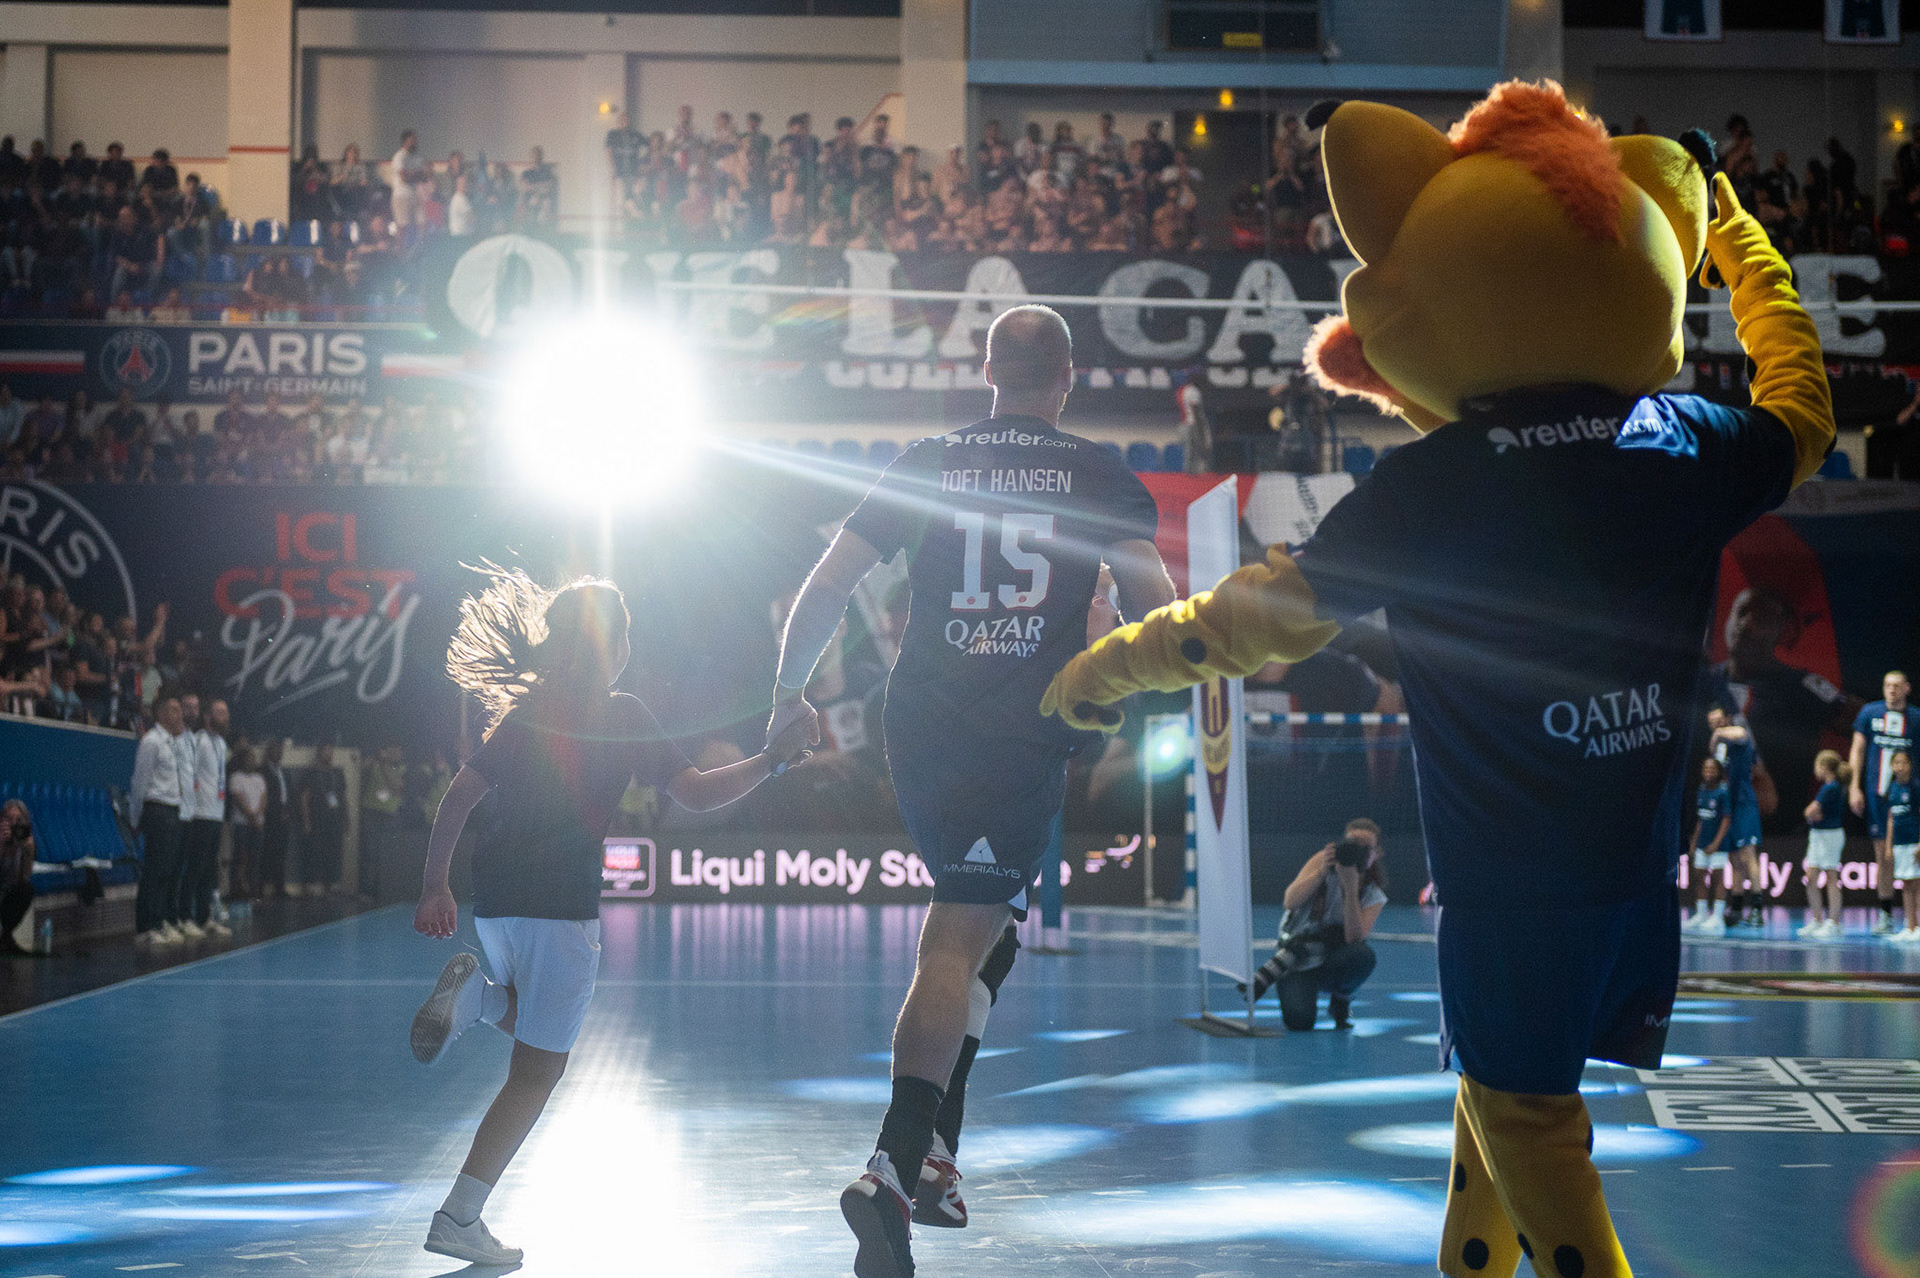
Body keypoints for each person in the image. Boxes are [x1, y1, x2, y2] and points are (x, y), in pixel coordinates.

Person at [770, 304, 1175, 1278]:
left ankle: (937, 1162)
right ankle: (891, 1171)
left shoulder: (929, 457)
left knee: (987, 929)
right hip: (1017, 732)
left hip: (921, 730)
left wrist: (785, 698)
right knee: (957, 940)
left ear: (988, 373)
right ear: (1068, 377)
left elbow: (823, 587)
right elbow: (1158, 607)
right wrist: (1147, 680)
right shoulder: (1098, 474)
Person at [407, 569, 811, 1267]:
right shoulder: (624, 715)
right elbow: (696, 795)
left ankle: (478, 996)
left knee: (530, 1022)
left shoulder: (526, 711)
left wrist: (434, 885)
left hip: (496, 902)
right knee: (538, 1070)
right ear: (614, 643)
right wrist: (773, 762)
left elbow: (460, 796)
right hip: (560, 910)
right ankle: (459, 1216)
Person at [1248, 818, 1387, 1030]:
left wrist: (1350, 887)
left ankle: (1341, 998)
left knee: (1363, 956)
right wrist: (1321, 872)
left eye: (1366, 847)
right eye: (1352, 844)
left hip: (1333, 959)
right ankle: (1297, 987)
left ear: (1376, 854)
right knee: (1299, 1022)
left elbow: (1354, 938)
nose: (1358, 851)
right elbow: (1290, 902)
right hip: (1299, 957)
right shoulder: (1322, 862)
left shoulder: (1373, 894)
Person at [1849, 670, 1914, 934]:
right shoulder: (1869, 713)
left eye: (1897, 686)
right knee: (1882, 855)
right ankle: (1885, 914)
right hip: (1877, 795)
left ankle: (1914, 919)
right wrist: (1854, 786)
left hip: (1910, 798)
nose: (1891, 690)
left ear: (1907, 688)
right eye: (1887, 685)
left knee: (1914, 854)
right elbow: (1858, 749)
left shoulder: (1917, 718)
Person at [130, 693, 189, 946]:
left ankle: (160, 920)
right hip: (157, 810)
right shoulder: (151, 742)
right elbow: (139, 781)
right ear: (162, 714)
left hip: (172, 809)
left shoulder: (172, 743)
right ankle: (145, 927)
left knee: (166, 871)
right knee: (155, 870)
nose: (180, 715)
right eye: (175, 710)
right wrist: (134, 818)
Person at [1707, 704, 1769, 929]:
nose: (1714, 726)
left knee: (1748, 855)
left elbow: (1741, 734)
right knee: (1734, 858)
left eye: (1717, 721)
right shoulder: (1721, 745)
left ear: (1727, 719)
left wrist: (1717, 733)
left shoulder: (1739, 734)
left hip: (1744, 803)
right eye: (1711, 723)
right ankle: (1735, 909)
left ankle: (1757, 910)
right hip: (1729, 805)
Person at [182, 696, 232, 938]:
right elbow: (191, 777)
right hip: (200, 814)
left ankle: (204, 918)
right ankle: (186, 918)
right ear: (209, 717)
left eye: (227, 713)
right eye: (220, 713)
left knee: (208, 870)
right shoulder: (200, 741)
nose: (226, 717)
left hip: (215, 814)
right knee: (195, 867)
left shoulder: (221, 744)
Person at [1798, 749, 1849, 937]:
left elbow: (1810, 812)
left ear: (1824, 767)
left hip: (1830, 836)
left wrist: (1811, 813)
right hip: (1818, 835)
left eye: (1818, 766)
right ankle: (1817, 920)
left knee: (1831, 877)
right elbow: (1813, 813)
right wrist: (1812, 814)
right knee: (1811, 877)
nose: (1816, 770)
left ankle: (1834, 923)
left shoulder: (1831, 787)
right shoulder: (1827, 787)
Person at [1682, 756, 1733, 935]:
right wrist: (1694, 843)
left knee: (1718, 878)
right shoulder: (1702, 790)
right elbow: (1700, 819)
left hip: (1718, 845)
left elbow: (1726, 819)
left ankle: (1717, 917)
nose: (1708, 772)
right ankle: (1701, 914)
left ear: (1718, 771)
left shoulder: (1723, 792)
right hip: (1702, 842)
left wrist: (1716, 843)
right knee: (1698, 876)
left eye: (1712, 769)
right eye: (1706, 769)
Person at [298, 742, 348, 895]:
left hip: (334, 818)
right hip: (317, 817)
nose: (329, 754)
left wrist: (346, 818)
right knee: (314, 851)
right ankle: (312, 884)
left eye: (331, 751)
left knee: (333, 851)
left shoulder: (337, 773)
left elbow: (343, 797)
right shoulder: (310, 773)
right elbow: (304, 797)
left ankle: (332, 883)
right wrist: (306, 820)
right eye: (326, 751)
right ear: (319, 752)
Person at [1885, 751, 1919, 942]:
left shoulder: (1915, 787)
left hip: (1914, 842)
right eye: (1895, 762)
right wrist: (1889, 846)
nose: (1899, 766)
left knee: (1917, 884)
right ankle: (1910, 926)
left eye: (1903, 762)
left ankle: (1918, 926)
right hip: (1900, 843)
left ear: (1909, 765)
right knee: (1906, 884)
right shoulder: (1893, 788)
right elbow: (1891, 819)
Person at [228, 746, 266, 903]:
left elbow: (264, 798)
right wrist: (250, 816)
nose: (252, 761)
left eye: (253, 758)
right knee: (240, 858)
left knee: (255, 859)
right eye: (249, 758)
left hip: (258, 823)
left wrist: (257, 816)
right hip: (242, 824)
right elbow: (238, 799)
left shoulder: (259, 778)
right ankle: (236, 890)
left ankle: (253, 891)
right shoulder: (236, 777)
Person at [259, 738, 293, 898]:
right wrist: (275, 810)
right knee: (268, 852)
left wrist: (288, 810)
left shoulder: (283, 771)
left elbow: (289, 792)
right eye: (274, 750)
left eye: (280, 751)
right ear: (268, 753)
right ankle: (263, 887)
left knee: (281, 853)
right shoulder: (263, 770)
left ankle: (279, 887)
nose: (278, 754)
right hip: (270, 816)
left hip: (284, 817)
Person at [0, 798, 35, 955]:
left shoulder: (23, 840)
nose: (14, 823)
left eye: (18, 820)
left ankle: (5, 936)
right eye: (9, 819)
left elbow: (25, 877)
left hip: (9, 889)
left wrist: (28, 852)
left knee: (26, 890)